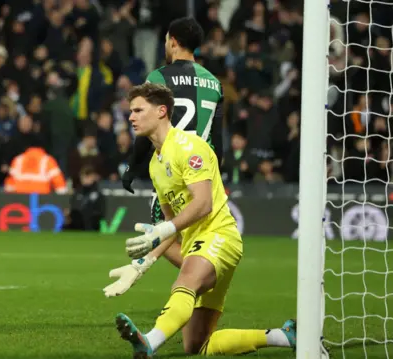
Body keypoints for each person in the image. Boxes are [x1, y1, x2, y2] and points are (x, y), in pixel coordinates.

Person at [103, 83, 296, 358]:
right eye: (130, 111)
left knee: (184, 283)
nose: (131, 117)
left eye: (138, 110)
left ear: (161, 111)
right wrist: (141, 264)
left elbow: (203, 203)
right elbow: (170, 228)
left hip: (219, 235)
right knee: (196, 345)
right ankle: (284, 337)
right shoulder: (155, 165)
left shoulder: (188, 146)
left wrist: (165, 228)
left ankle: (149, 342)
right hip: (195, 247)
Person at [120, 17, 224, 226]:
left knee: (164, 237)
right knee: (196, 238)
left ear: (173, 42)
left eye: (167, 40)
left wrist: (132, 167)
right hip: (201, 170)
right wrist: (216, 173)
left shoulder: (158, 78)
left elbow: (148, 127)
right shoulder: (214, 83)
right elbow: (217, 136)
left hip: (170, 170)